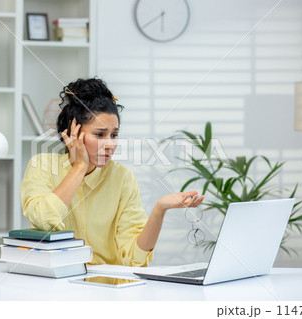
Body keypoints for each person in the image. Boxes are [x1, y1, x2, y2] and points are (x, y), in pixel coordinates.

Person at [20, 78, 204, 266]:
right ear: (73, 133)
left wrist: (159, 209)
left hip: (107, 287)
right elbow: (44, 221)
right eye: (99, 134)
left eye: (114, 135)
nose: (110, 145)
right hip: (59, 284)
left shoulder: (122, 178)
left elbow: (134, 259)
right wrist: (79, 167)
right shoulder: (41, 165)